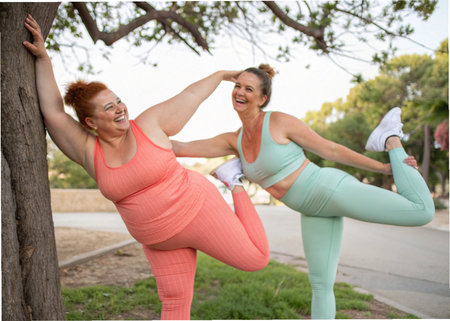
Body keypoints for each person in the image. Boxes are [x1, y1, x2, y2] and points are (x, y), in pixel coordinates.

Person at [23, 15, 270, 320]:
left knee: (256, 259)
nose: (120, 108)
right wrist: (44, 57)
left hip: (198, 209)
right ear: (90, 122)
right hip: (158, 240)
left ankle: (233, 180)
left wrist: (220, 75)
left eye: (119, 101)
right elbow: (54, 112)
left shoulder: (149, 124)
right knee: (175, 305)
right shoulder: (88, 151)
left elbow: (190, 95)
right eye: (109, 107)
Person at [171, 64, 435, 319]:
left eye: (249, 89)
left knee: (421, 212)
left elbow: (329, 149)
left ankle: (390, 137)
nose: (240, 92)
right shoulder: (234, 140)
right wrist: (133, 133)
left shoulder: (278, 122)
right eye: (237, 86)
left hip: (328, 189)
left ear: (262, 98)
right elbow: (181, 147)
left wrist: (382, 167)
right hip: (311, 211)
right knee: (320, 285)